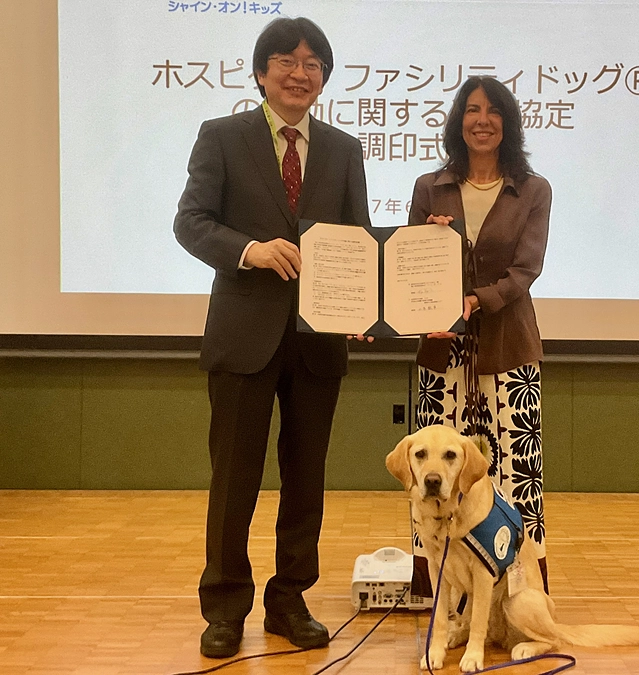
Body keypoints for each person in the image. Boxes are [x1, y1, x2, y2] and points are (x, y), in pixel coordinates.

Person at [173, 17, 370, 659]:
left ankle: (290, 599)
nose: (299, 73)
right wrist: (250, 250)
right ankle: (225, 606)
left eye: (313, 64)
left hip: (318, 341)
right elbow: (191, 223)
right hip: (243, 335)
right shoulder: (223, 136)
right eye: (286, 60)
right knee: (234, 477)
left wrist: (367, 303)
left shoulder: (344, 149)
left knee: (305, 477)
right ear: (261, 72)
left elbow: (359, 238)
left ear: (324, 78)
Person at [409, 76, 552, 593]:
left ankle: (519, 582)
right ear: (457, 121)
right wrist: (431, 241)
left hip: (509, 345)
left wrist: (477, 300)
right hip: (442, 348)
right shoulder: (431, 187)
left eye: (493, 111)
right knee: (432, 467)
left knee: (514, 467)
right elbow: (412, 266)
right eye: (471, 110)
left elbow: (526, 269)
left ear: (508, 123)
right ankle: (439, 587)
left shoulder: (533, 190)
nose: (482, 120)